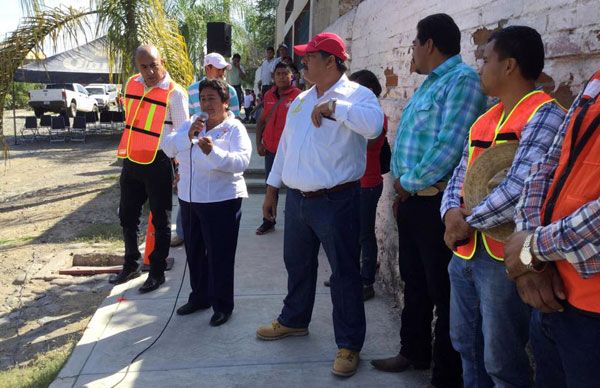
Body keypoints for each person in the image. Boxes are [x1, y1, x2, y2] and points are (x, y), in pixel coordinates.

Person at [441, 26, 566, 387]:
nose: (480, 68)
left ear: (509, 66)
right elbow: (459, 177)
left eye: (486, 60)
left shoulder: (545, 114)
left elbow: (523, 188)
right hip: (464, 252)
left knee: (502, 361)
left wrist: (466, 220)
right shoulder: (484, 119)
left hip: (504, 261)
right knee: (465, 345)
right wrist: (450, 213)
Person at [255, 32, 384, 378]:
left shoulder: (359, 95)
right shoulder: (301, 100)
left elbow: (374, 127)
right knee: (297, 264)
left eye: (310, 57)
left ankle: (349, 344)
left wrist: (334, 108)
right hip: (297, 199)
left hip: (336, 200)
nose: (303, 63)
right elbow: (286, 146)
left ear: (330, 61)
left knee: (343, 274)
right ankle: (294, 319)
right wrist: (271, 190)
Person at [370, 14, 486, 388]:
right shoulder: (429, 84)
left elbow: (451, 146)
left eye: (415, 44)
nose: (413, 53)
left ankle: (446, 373)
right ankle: (413, 350)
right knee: (415, 282)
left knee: (443, 290)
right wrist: (403, 190)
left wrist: (408, 183)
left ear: (430, 44)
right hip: (414, 202)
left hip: (438, 203)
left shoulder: (462, 81)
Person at [503, 69, 600, 388]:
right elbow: (548, 165)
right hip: (554, 294)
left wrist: (532, 248)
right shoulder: (595, 82)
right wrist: (531, 257)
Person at [162, 79, 251, 326]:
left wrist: (214, 152)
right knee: (195, 253)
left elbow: (241, 162)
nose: (206, 104)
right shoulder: (193, 123)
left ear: (225, 103)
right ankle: (199, 297)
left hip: (221, 201)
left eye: (212, 98)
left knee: (219, 255)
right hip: (190, 199)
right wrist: (187, 135)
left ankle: (223, 305)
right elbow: (168, 148)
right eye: (202, 99)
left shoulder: (234, 129)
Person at [110, 45, 188, 293]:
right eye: (144, 66)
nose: (150, 71)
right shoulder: (132, 84)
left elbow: (183, 132)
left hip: (159, 161)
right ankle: (131, 263)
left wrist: (180, 168)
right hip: (132, 160)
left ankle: (156, 272)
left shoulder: (175, 94)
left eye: (154, 64)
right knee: (127, 216)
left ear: (161, 61)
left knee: (161, 220)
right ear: (137, 67)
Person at [323, 70, 388, 301]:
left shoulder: (375, 117)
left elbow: (367, 141)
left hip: (368, 183)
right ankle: (346, 275)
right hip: (350, 182)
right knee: (346, 232)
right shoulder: (351, 114)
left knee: (364, 235)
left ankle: (366, 281)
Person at [255, 62, 302, 235]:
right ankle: (268, 220)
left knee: (293, 188)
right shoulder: (268, 95)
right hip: (271, 150)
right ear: (273, 77)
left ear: (292, 76)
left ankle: (295, 222)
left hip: (291, 152)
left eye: (285, 73)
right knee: (271, 186)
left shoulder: (300, 96)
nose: (282, 77)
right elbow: (261, 121)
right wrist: (259, 143)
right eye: (278, 74)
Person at [189, 52, 240, 119]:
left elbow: (235, 118)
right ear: (207, 69)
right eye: (219, 69)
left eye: (224, 69)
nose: (222, 73)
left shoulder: (230, 90)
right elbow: (190, 117)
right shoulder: (192, 90)